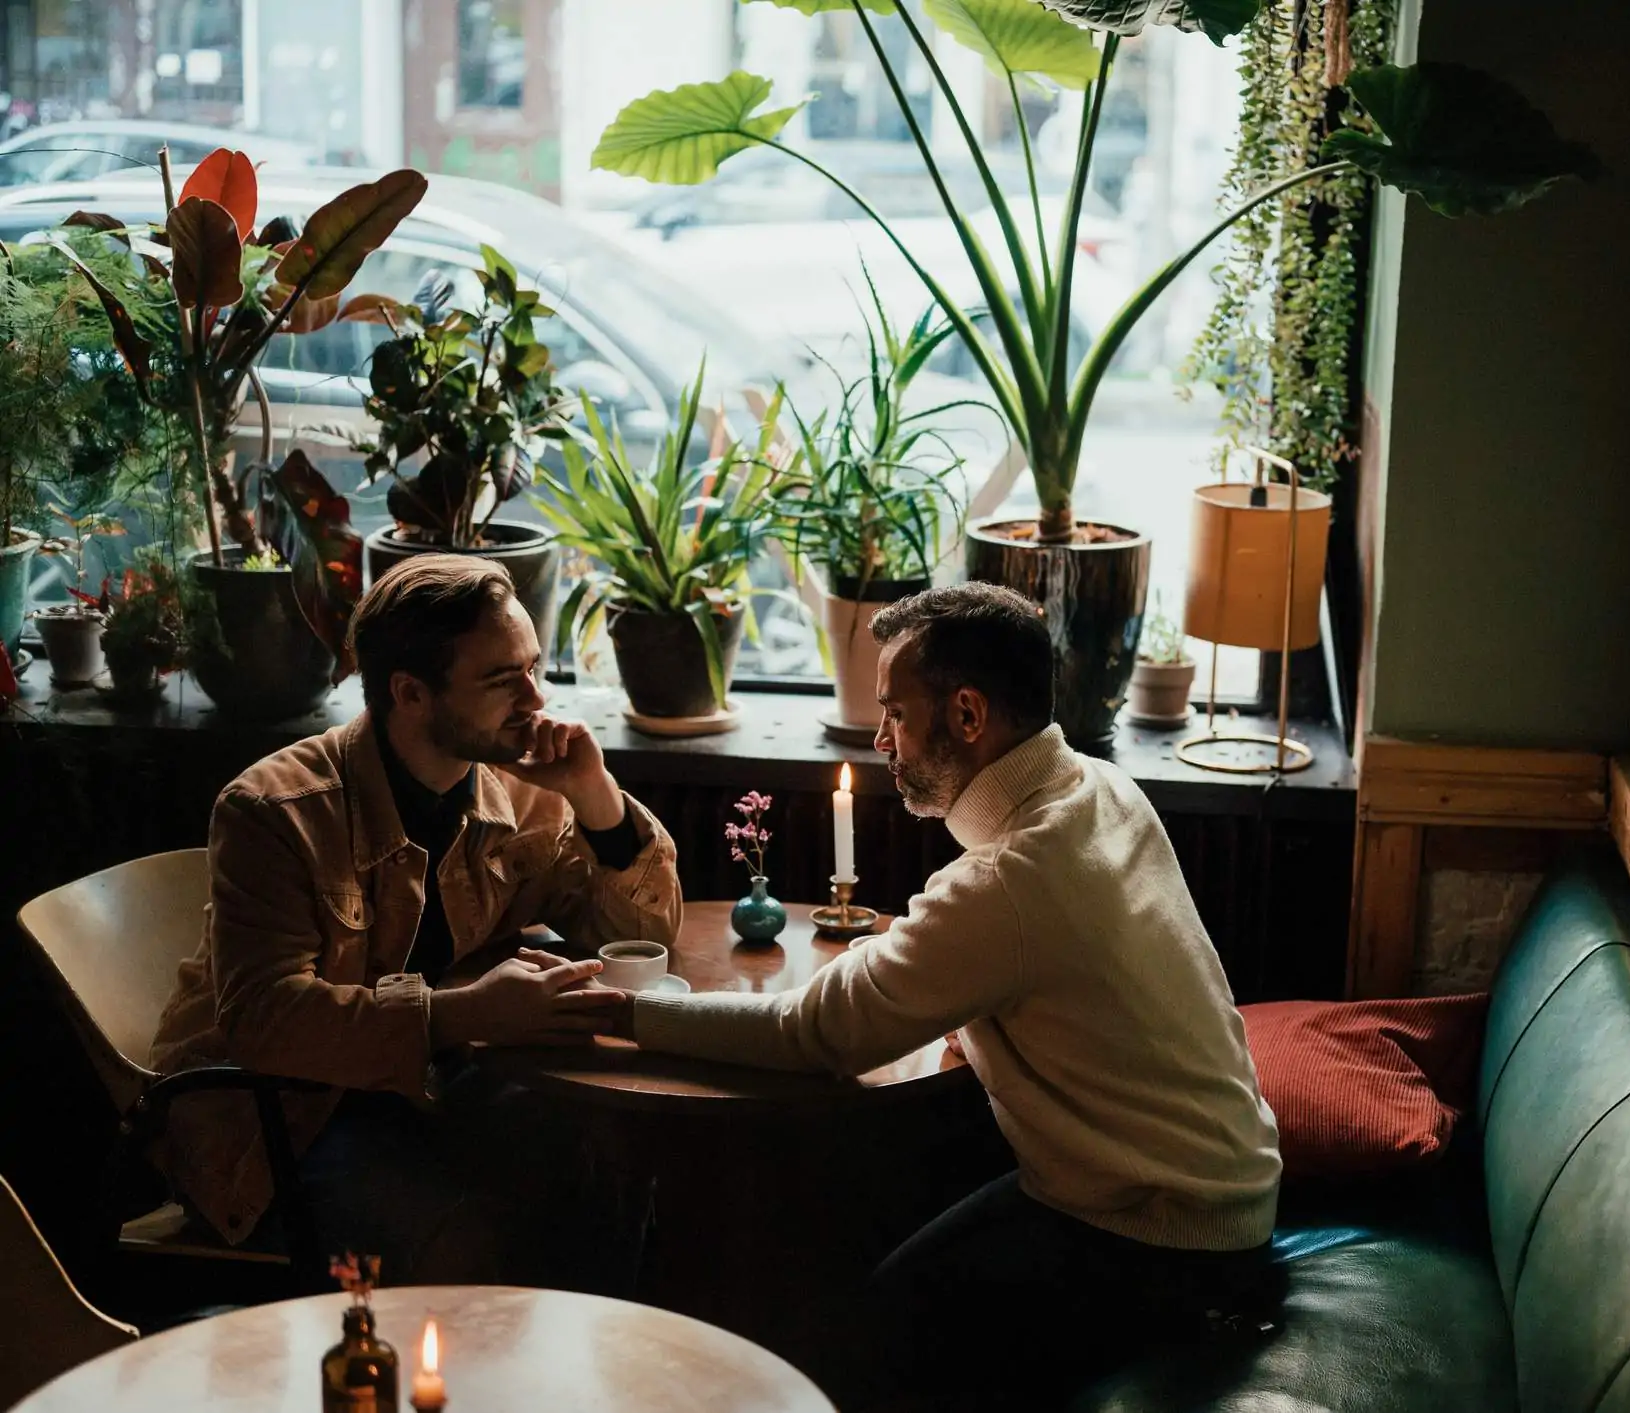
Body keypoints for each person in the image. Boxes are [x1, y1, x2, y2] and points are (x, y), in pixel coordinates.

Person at [615, 582, 1282, 1406]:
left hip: (1155, 1244)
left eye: (894, 713)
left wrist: (620, 1010)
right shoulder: (1104, 792)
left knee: (844, 1350)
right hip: (1218, 1204)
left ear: (967, 715)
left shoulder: (1008, 878)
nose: (880, 738)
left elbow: (811, 1031)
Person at [146, 555, 682, 1288]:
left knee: (620, 1166)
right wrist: (463, 1013)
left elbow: (641, 937)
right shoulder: (273, 812)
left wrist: (597, 799)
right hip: (289, 1126)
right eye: (502, 680)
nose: (535, 698)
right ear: (411, 693)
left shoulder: (525, 786)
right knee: (461, 1243)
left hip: (436, 1092)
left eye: (532, 666)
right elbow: (265, 1021)